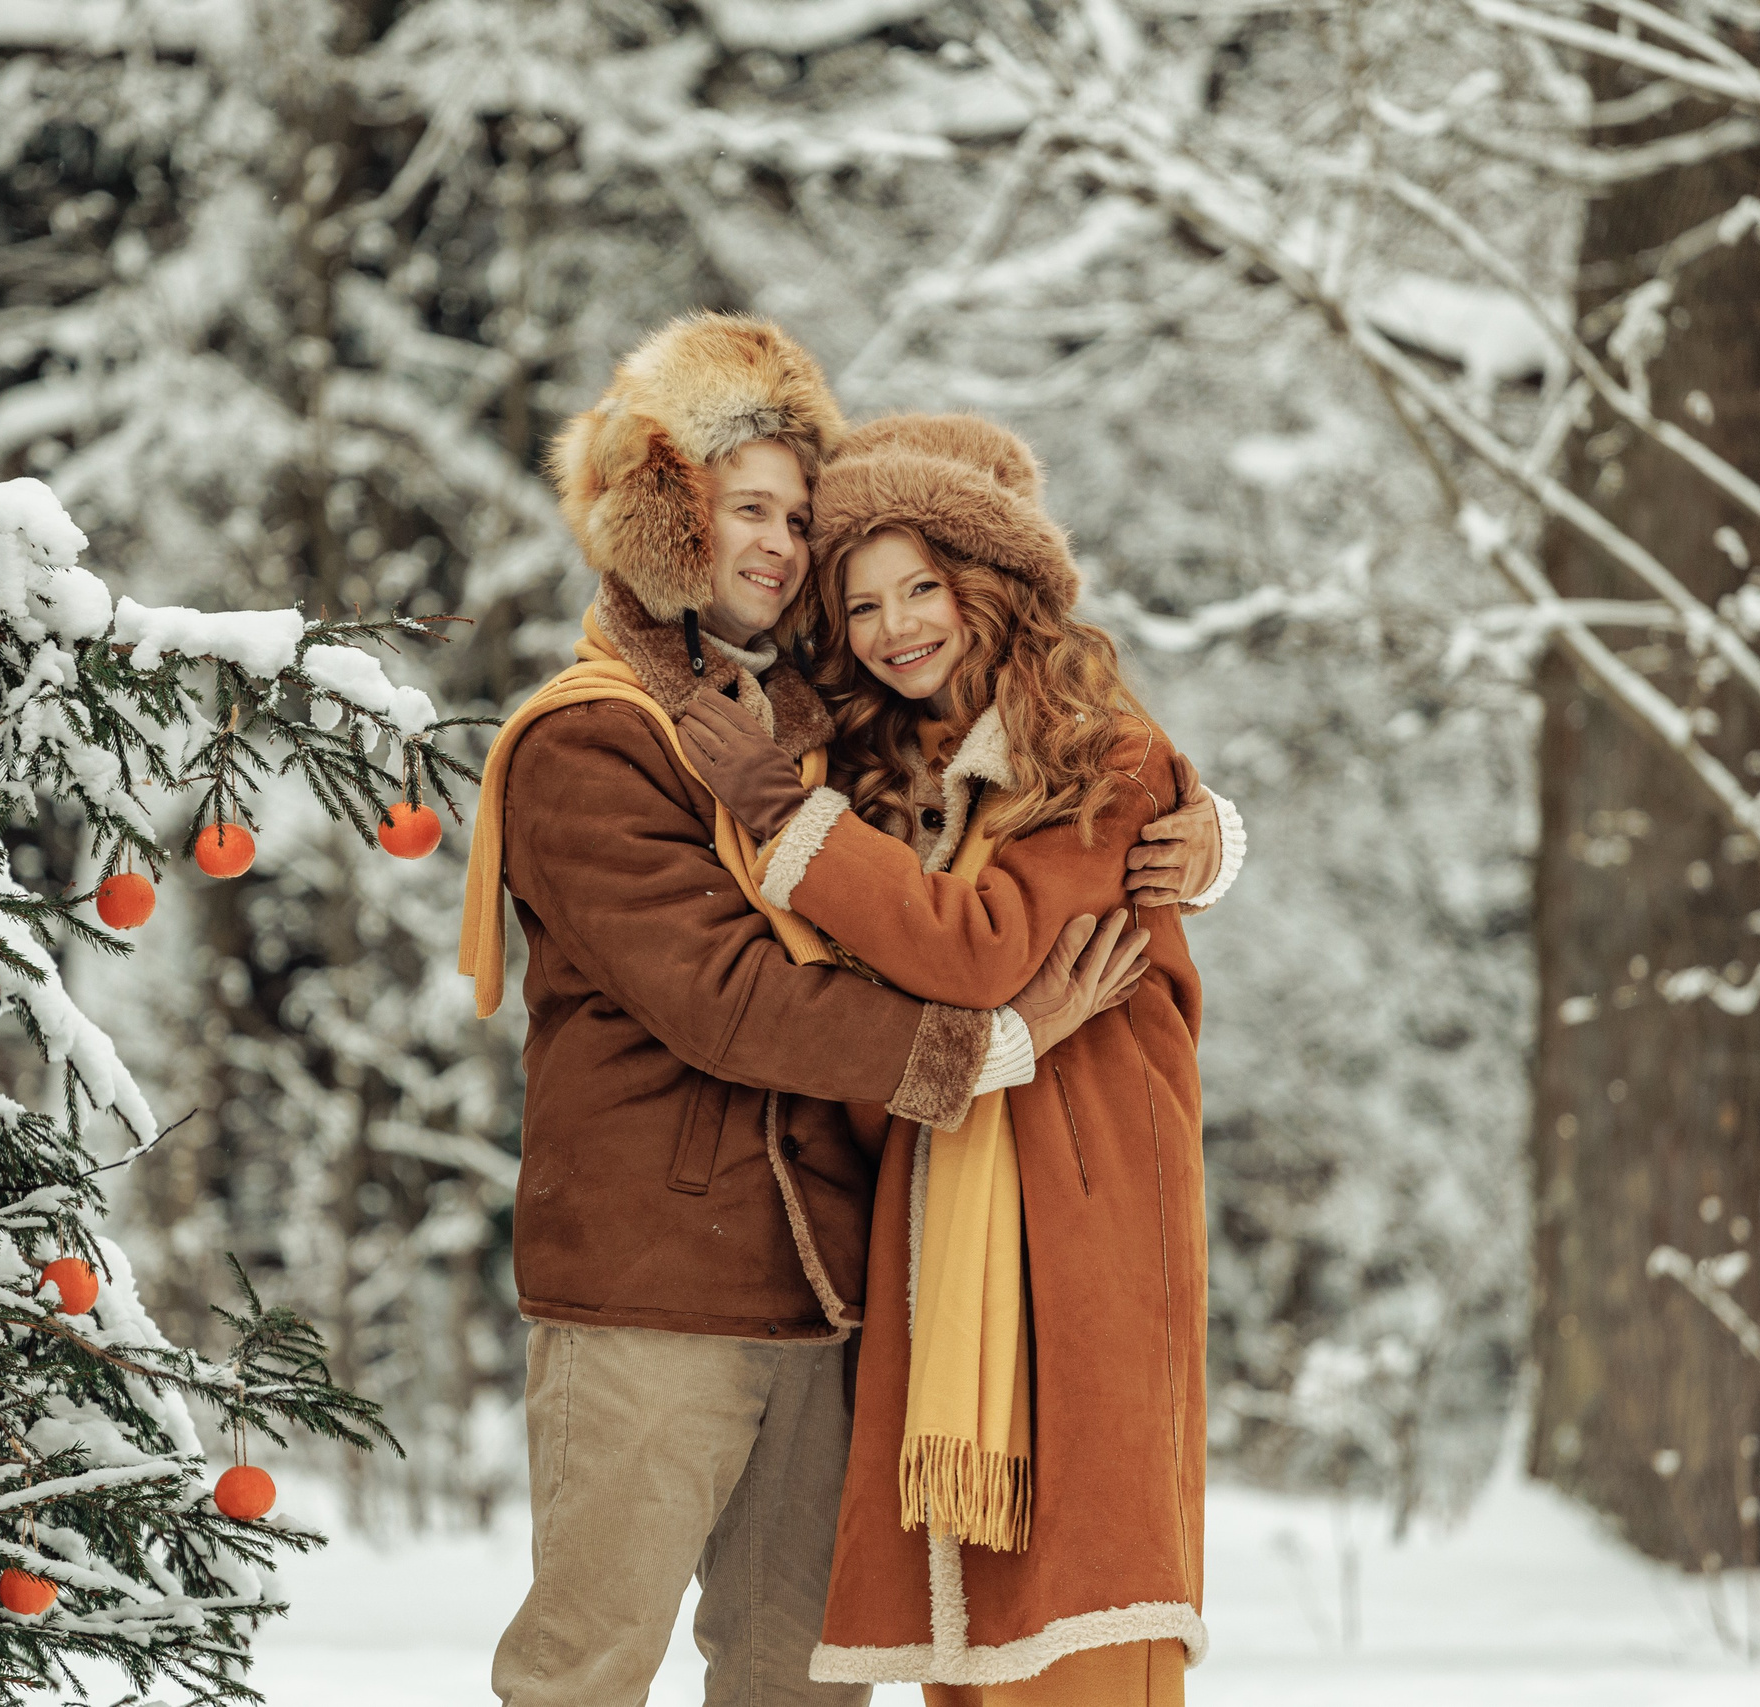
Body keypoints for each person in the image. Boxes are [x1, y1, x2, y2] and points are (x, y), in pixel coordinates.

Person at [459, 318, 1234, 1707]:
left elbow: (1007, 784)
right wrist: (991, 1048)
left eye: (794, 516)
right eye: (744, 507)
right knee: (585, 1672)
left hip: (826, 1292)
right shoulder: (595, 736)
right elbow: (726, 996)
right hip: (657, 1289)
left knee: (799, 1681)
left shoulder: (811, 725)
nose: (775, 543)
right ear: (669, 514)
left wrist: (1202, 828)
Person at [678, 412, 1221, 1705]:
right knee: (966, 1631)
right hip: (940, 1223)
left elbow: (979, 951)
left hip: (1077, 1228)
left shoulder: (1106, 758)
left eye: (924, 586)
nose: (895, 626)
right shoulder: (893, 778)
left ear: (993, 586)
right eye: (862, 602)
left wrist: (780, 811)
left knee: (1081, 1613)